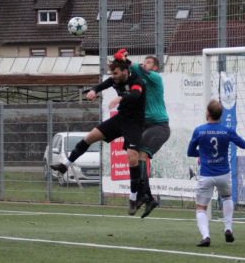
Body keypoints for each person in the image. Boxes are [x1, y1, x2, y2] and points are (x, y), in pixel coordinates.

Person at [51, 60, 146, 215]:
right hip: (120, 119)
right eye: (111, 73)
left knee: (132, 158)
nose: (112, 76)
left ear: (124, 71)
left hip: (135, 123)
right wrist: (93, 91)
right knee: (90, 137)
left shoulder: (136, 80)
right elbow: (100, 86)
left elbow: (136, 95)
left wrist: (120, 99)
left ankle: (133, 198)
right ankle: (65, 165)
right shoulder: (114, 80)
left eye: (115, 73)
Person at [113, 49, 170, 218]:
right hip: (145, 126)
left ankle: (143, 196)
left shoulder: (156, 78)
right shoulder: (139, 83)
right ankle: (148, 197)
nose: (145, 64)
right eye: (144, 61)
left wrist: (126, 60)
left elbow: (139, 69)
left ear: (156, 68)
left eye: (149, 62)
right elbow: (129, 75)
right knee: (134, 157)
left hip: (159, 126)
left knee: (141, 155)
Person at [187, 100, 245, 247]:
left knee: (201, 207)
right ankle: (228, 228)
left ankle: (206, 236)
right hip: (223, 174)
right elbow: (244, 145)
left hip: (206, 174)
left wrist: (202, 153)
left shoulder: (199, 130)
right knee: (227, 198)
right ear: (220, 115)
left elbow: (190, 152)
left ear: (207, 113)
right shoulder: (227, 131)